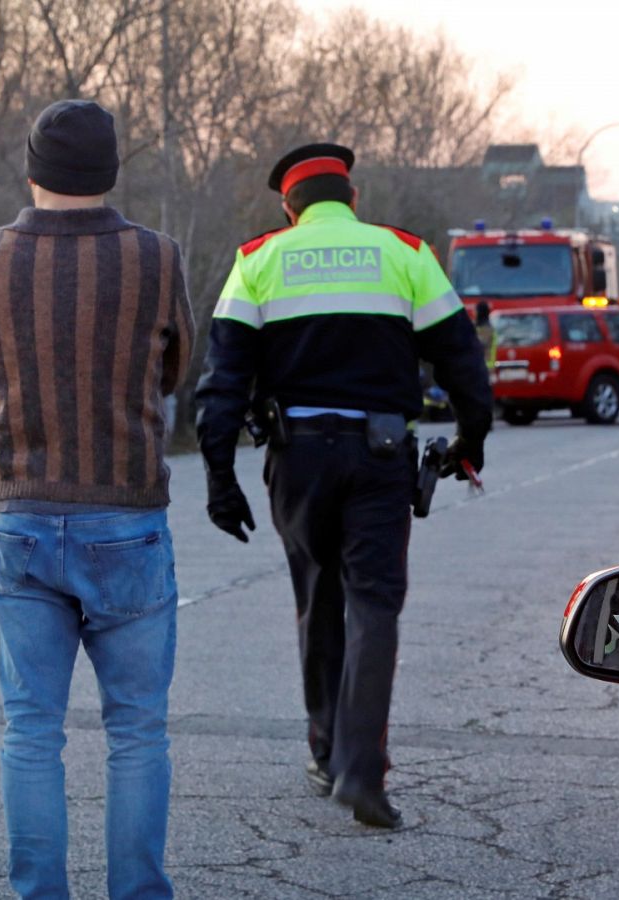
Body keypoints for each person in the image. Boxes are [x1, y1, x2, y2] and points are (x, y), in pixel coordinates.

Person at [194, 142, 492, 829]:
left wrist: (219, 477)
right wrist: (471, 439)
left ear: (288, 207)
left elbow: (224, 380)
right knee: (375, 605)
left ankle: (327, 751)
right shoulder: (404, 252)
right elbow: (461, 358)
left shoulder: (257, 260)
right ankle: (362, 772)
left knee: (317, 598)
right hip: (380, 457)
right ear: (352, 199)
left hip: (297, 461)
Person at [0, 99, 194, 899]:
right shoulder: (156, 257)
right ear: (111, 170)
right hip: (124, 513)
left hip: (17, 513)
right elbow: (174, 371)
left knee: (31, 732)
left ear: (31, 170)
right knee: (136, 734)